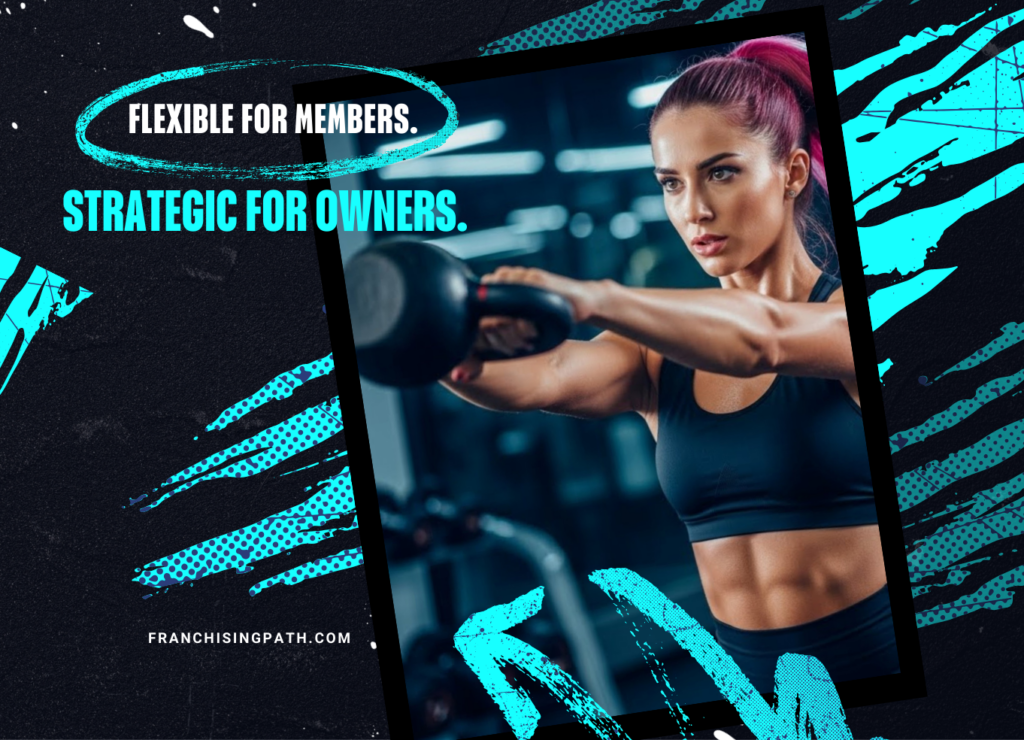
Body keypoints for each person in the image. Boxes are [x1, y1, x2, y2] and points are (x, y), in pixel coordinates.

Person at [439, 35, 899, 691]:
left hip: (879, 662)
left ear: (792, 172)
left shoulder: (851, 318)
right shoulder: (659, 356)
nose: (695, 210)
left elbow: (762, 338)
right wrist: (438, 332)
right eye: (671, 184)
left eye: (721, 172)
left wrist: (596, 298)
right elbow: (541, 379)